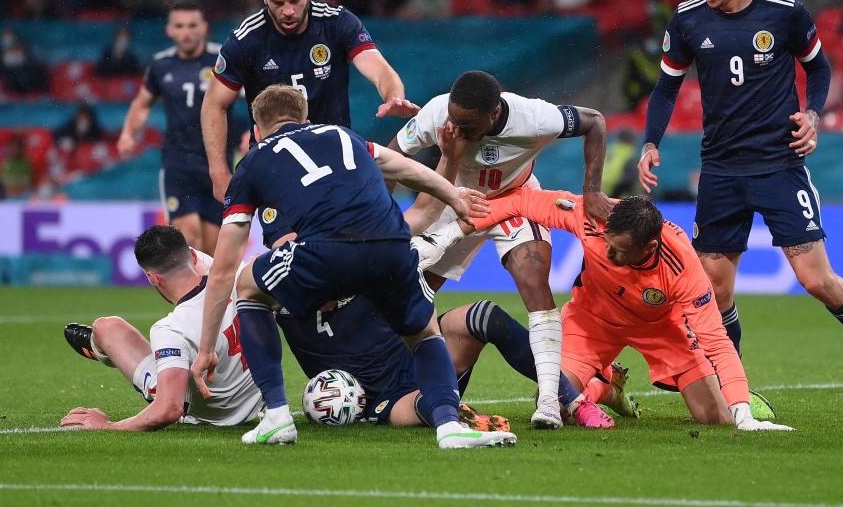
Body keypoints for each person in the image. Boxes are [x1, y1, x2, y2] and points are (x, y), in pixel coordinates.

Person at [637, 0, 843, 417]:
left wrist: (812, 115)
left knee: (817, 280)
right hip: (721, 170)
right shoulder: (686, 21)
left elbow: (821, 69)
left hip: (779, 165)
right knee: (715, 288)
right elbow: (665, 88)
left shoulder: (784, 12)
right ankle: (735, 388)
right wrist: (651, 141)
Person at [190, 85, 516, 449]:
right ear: (306, 119)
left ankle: (276, 415)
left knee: (248, 283)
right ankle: (449, 427)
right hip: (390, 242)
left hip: (327, 249)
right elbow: (402, 166)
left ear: (256, 130)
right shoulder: (343, 135)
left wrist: (206, 349)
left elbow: (222, 268)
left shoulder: (252, 161)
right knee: (425, 332)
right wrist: (454, 196)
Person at [445, 189, 791, 431]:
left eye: (621, 251)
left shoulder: (682, 265)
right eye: (608, 245)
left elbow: (716, 340)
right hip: (592, 320)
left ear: (650, 247)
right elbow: (522, 201)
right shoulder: (591, 216)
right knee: (552, 399)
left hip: (662, 328)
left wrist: (742, 414)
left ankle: (742, 404)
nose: (610, 254)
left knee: (715, 418)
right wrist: (453, 231)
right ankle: (608, 390)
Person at [389, 70, 611, 430]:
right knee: (412, 290)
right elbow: (393, 154)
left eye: (468, 124)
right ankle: (397, 381)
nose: (457, 129)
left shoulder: (534, 118)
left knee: (535, 286)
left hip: (517, 201)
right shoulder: (436, 113)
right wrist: (383, 208)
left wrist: (593, 190)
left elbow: (595, 121)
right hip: (455, 201)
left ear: (494, 113)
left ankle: (553, 403)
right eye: (454, 120)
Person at [202, 0, 419, 202]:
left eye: (295, 0)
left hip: (334, 158)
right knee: (292, 241)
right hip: (274, 165)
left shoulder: (337, 23)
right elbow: (214, 105)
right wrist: (218, 173)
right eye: (277, 2)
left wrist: (393, 95)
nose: (288, 11)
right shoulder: (245, 40)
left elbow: (378, 68)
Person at [277, 296, 619, 429]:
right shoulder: (275, 293)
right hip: (378, 395)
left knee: (486, 315)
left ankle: (572, 400)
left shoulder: (361, 264)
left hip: (419, 354)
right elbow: (243, 315)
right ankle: (463, 416)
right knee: (425, 403)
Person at [60, 225, 263, 431]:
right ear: (193, 256)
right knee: (107, 327)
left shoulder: (170, 329)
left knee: (105, 328)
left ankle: (103, 349)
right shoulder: (236, 271)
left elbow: (169, 410)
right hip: (257, 398)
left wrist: (106, 425)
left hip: (209, 414)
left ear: (153, 278)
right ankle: (103, 348)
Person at [117, 0, 228, 255]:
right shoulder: (161, 64)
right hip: (179, 163)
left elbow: (252, 97)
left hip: (218, 163)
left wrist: (251, 131)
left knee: (214, 250)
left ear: (204, 27)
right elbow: (142, 103)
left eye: (192, 25)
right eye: (179, 26)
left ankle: (210, 295)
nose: (186, 32)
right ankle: (193, 295)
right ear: (169, 30)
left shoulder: (223, 59)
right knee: (187, 237)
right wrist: (127, 134)